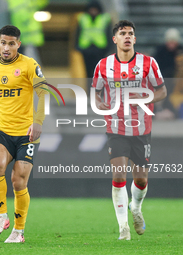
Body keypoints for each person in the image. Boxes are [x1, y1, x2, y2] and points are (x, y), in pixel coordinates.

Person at [92, 20, 167, 240]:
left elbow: (162, 91)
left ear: (134, 39)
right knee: (118, 174)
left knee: (141, 178)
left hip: (142, 129)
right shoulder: (103, 65)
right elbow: (94, 92)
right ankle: (123, 226)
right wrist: (99, 103)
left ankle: (136, 207)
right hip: (116, 127)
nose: (127, 36)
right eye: (122, 33)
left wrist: (146, 96)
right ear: (115, 39)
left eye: (130, 33)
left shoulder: (148, 63)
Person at [0, 25, 47, 243]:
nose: (6, 48)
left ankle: (18, 231)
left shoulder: (29, 65)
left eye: (11, 43)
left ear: (18, 44)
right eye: (3, 43)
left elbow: (43, 93)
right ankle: (1, 216)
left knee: (18, 181)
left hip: (27, 134)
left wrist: (37, 122)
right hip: (3, 132)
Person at [76, 0, 112, 78]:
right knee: (88, 72)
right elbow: (78, 33)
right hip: (86, 47)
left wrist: (109, 48)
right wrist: (77, 47)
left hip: (100, 48)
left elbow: (109, 34)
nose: (93, 11)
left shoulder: (105, 18)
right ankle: (90, 88)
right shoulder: (83, 18)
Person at [153, 28, 182, 119]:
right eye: (170, 41)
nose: (172, 45)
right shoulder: (160, 51)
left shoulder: (180, 52)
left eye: (174, 42)